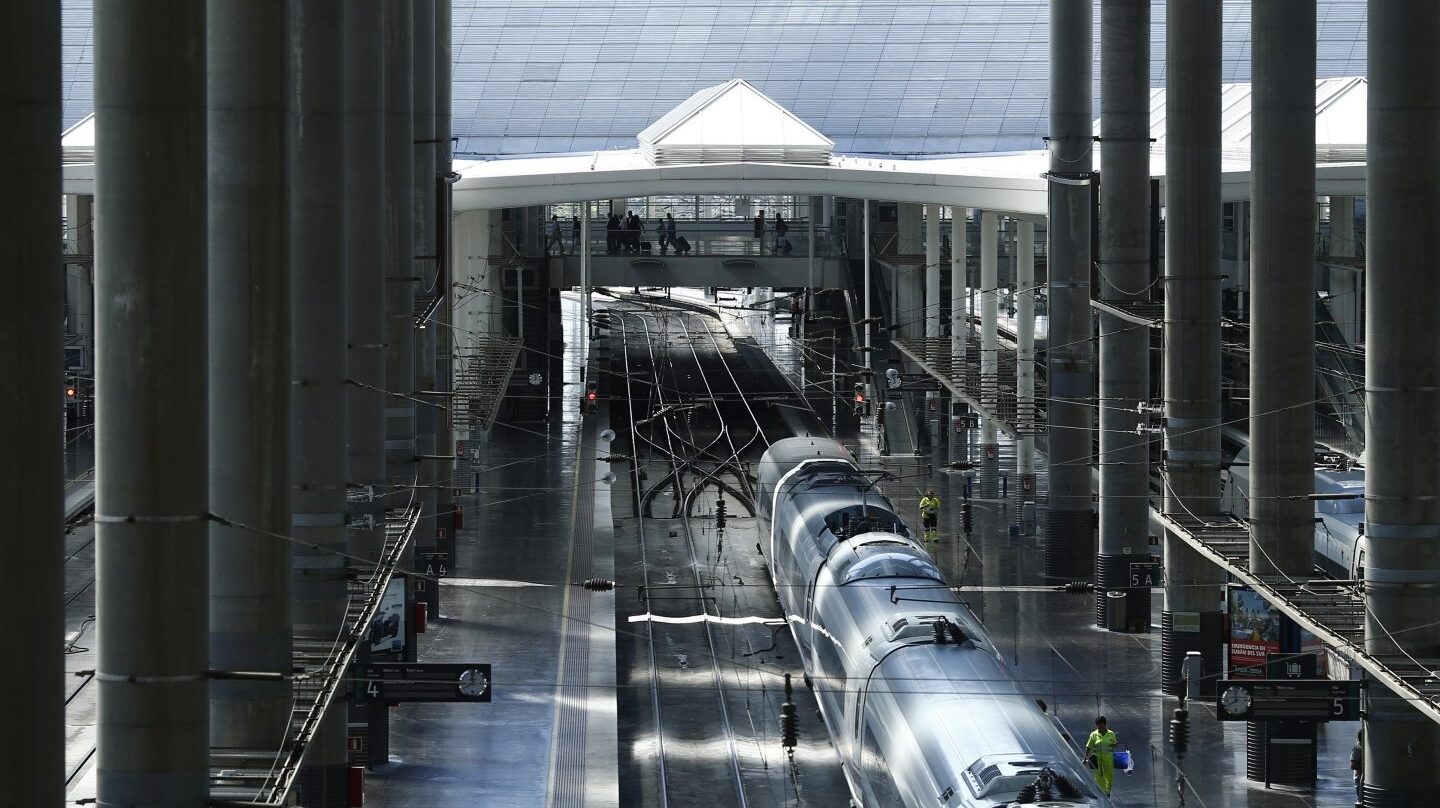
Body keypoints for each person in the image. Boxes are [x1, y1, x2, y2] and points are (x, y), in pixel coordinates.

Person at [1085, 716, 1118, 797]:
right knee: (1098, 775)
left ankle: (1107, 791)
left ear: (1105, 724)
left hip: (1108, 757)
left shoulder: (1111, 733)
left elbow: (1115, 743)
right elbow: (1088, 747)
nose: (1100, 726)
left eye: (1101, 724)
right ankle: (1101, 792)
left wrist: (1114, 745)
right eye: (1098, 725)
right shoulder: (1093, 734)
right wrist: (1085, 758)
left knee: (1109, 775)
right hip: (1097, 757)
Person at [1351, 730, 1363, 803]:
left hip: (1363, 779)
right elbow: (1352, 766)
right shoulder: (1357, 748)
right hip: (1359, 780)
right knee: (1360, 800)